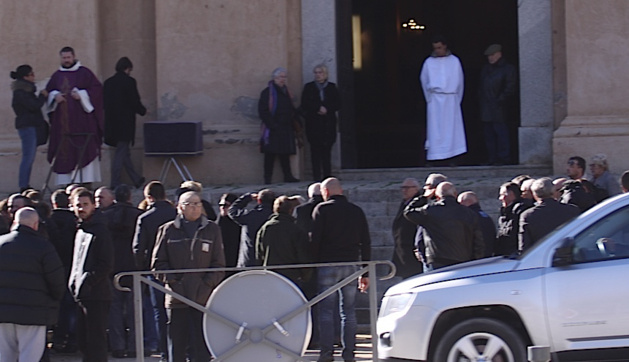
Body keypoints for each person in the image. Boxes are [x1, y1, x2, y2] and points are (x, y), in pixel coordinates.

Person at [152, 191, 225, 362]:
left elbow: (219, 264)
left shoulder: (212, 229)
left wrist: (206, 285)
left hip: (203, 298)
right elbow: (158, 264)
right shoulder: (167, 230)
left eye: (198, 204)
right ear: (180, 207)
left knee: (201, 345)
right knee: (176, 345)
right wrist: (174, 284)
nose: (195, 208)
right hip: (176, 298)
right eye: (190, 204)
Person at [311, 177, 370, 362]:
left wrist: (312, 266)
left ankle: (327, 353)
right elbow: (366, 241)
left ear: (325, 192)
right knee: (349, 312)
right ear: (341, 191)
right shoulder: (356, 210)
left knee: (326, 311)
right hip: (351, 264)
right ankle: (349, 353)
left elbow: (315, 240)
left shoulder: (322, 209)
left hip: (327, 263)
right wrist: (365, 271)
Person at [0, 207, 65, 362]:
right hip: (34, 312)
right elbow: (56, 281)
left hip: (2, 312)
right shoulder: (43, 247)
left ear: (14, 222)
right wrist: (54, 300)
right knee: (30, 357)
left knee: (5, 356)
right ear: (36, 224)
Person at [45, 46, 104, 186]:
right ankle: (67, 186)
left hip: (83, 123)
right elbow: (48, 91)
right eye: (64, 58)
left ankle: (85, 185)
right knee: (65, 152)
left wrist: (82, 95)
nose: (66, 60)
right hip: (63, 126)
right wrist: (55, 96)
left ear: (74, 56)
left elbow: (97, 91)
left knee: (84, 151)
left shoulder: (84, 73)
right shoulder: (57, 76)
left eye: (68, 57)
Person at [132, 181, 177, 361]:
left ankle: (165, 353)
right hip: (178, 269)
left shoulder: (145, 218)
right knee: (180, 311)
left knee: (159, 311)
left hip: (155, 271)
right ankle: (184, 350)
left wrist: (142, 268)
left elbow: (137, 248)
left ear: (149, 197)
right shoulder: (176, 214)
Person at [68, 189, 114, 362]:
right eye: (78, 205)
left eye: (85, 204)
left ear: (94, 205)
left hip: (97, 294)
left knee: (96, 342)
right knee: (83, 341)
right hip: (82, 294)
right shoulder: (81, 229)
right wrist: (74, 283)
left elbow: (106, 263)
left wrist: (87, 282)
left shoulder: (100, 230)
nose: (81, 208)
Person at [102, 184, 143, 358]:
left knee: (115, 311)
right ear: (129, 198)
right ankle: (135, 346)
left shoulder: (104, 217)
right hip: (134, 268)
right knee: (136, 310)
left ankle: (118, 346)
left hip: (112, 268)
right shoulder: (139, 216)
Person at [404, 182, 484, 270]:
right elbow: (478, 240)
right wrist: (475, 260)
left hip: (436, 260)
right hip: (462, 260)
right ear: (455, 194)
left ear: (437, 196)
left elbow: (408, 212)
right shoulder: (469, 213)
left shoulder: (430, 210)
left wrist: (424, 197)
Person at [419, 35, 466, 163]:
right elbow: (424, 81)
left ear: (445, 46)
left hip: (451, 99)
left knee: (452, 129)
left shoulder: (454, 61)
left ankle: (453, 156)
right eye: (435, 48)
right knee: (436, 129)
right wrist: (430, 99)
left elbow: (460, 82)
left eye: (439, 47)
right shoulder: (429, 62)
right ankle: (435, 156)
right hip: (435, 99)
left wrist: (456, 100)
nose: (437, 50)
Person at [103, 56, 147, 189]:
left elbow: (104, 103)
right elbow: (134, 101)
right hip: (125, 123)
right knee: (121, 152)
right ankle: (115, 182)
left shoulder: (108, 83)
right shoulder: (129, 81)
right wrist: (143, 111)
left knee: (124, 152)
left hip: (111, 123)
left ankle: (136, 179)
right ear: (127, 69)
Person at [48, 189, 79, 353]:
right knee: (71, 304)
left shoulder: (48, 220)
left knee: (58, 305)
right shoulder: (74, 220)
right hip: (72, 265)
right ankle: (72, 339)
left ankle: (58, 338)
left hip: (53, 267)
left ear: (53, 203)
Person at [256, 195, 311, 286]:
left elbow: (259, 253)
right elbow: (303, 254)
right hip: (292, 275)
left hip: (271, 275)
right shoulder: (296, 229)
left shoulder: (265, 228)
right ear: (291, 210)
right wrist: (305, 276)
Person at [10, 64, 49, 192]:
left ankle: (25, 184)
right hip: (28, 127)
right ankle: (24, 186)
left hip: (30, 126)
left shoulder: (25, 91)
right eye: (31, 74)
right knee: (28, 157)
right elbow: (34, 106)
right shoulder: (21, 92)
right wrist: (42, 96)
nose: (34, 77)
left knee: (29, 156)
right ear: (25, 77)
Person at [258, 67, 300, 184]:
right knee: (269, 154)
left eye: (284, 77)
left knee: (285, 153)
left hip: (286, 127)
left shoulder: (287, 92)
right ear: (274, 78)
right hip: (272, 128)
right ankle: (267, 178)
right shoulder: (267, 93)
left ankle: (288, 176)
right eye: (281, 77)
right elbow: (263, 111)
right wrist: (273, 125)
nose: (283, 79)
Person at [300, 64, 341, 181]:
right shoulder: (309, 87)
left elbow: (338, 103)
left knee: (327, 152)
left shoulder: (332, 87)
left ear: (325, 74)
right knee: (315, 152)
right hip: (314, 124)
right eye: (316, 73)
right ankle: (316, 177)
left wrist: (327, 108)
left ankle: (328, 177)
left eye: (320, 73)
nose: (318, 75)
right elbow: (305, 103)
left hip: (328, 125)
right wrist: (318, 107)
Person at [478, 44, 517, 165]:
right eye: (489, 56)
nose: (490, 58)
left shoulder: (508, 69)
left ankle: (504, 157)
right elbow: (481, 87)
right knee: (489, 134)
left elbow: (510, 87)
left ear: (499, 54)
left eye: (493, 55)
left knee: (502, 133)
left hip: (501, 107)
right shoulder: (486, 69)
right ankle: (492, 158)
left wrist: (501, 100)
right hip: (487, 106)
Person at [519, 178, 580, 252]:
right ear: (554, 192)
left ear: (534, 194)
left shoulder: (527, 215)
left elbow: (524, 246)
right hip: (568, 255)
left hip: (540, 256)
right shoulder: (572, 210)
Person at [228, 189, 275, 267]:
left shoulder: (250, 216)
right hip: (271, 262)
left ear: (259, 200)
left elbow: (233, 210)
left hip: (249, 262)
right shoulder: (276, 216)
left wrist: (247, 198)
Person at [391, 178, 423, 278]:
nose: (404, 190)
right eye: (403, 188)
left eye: (407, 188)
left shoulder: (419, 203)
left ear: (416, 189)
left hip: (411, 250)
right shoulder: (405, 203)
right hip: (403, 250)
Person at [495, 182, 531, 256]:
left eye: (502, 195)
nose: (500, 198)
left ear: (511, 195)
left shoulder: (520, 211)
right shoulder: (506, 212)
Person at [458, 191, 496, 257]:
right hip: (488, 255)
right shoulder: (486, 216)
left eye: (460, 202)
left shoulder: (469, 217)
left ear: (468, 202)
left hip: (475, 257)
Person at [217, 193, 241, 271]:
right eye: (220, 205)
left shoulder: (239, 223)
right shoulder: (216, 223)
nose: (222, 208)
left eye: (226, 205)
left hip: (236, 260)